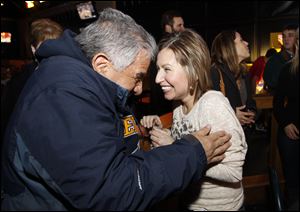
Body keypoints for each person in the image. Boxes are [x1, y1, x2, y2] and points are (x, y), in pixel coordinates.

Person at [1, 8, 231, 211]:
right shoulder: (62, 94)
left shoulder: (92, 84)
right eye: (138, 77)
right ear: (102, 65)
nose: (140, 89)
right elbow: (111, 191)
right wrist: (192, 153)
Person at [141, 29, 247, 211]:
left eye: (166, 69)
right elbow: (186, 136)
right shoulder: (178, 106)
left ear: (194, 70)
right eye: (158, 70)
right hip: (189, 203)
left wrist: (175, 147)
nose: (158, 79)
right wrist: (162, 131)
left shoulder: (212, 105)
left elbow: (234, 172)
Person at [0, 18, 63, 144]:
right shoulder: (19, 83)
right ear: (33, 49)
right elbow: (8, 122)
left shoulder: (69, 74)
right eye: (45, 47)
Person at [210, 30, 256, 135]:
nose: (246, 43)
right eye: (241, 40)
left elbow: (250, 102)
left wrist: (251, 113)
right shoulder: (214, 72)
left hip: (244, 136)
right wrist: (233, 115)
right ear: (229, 47)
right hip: (226, 139)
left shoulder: (244, 73)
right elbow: (208, 109)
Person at [273, 28, 299, 210]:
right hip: (291, 134)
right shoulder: (288, 69)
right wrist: (285, 123)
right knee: (293, 184)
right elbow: (277, 104)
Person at [149, 10, 185, 116]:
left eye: (183, 25)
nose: (183, 28)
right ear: (168, 28)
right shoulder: (167, 48)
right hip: (166, 109)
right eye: (179, 25)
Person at [263, 24, 298, 94]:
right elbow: (270, 82)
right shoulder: (275, 59)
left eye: (290, 35)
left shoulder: (297, 58)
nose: (286, 39)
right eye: (284, 36)